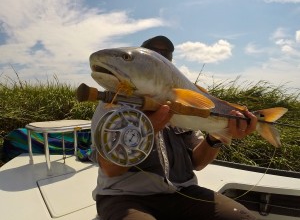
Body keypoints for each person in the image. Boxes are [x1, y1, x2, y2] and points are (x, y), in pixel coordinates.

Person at [89, 35, 258, 220]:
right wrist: (147, 129)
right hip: (124, 196)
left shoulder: (183, 102)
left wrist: (216, 136)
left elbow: (198, 163)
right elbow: (111, 169)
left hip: (182, 192)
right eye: (153, 52)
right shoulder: (112, 105)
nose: (161, 55)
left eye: (166, 55)